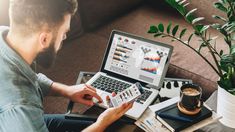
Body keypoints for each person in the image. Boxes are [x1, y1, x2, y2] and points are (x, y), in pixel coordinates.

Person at [0, 0, 133, 132]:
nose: (63, 38)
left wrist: (65, 90)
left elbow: (26, 77)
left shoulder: (6, 38)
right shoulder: (21, 106)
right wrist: (101, 124)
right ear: (44, 39)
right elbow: (20, 96)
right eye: (64, 33)